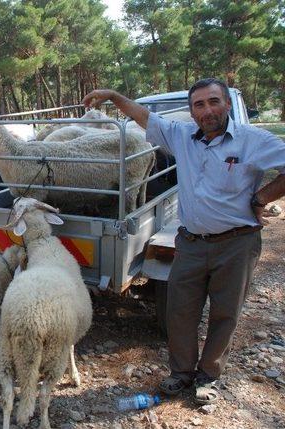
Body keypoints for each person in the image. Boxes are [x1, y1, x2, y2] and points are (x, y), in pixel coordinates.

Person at [83, 78, 285, 404]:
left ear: (227, 104)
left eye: (213, 101)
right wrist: (114, 96)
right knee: (180, 311)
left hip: (236, 244)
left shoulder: (252, 140)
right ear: (191, 111)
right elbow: (144, 116)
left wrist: (262, 197)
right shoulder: (182, 137)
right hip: (190, 243)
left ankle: (208, 378)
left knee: (225, 314)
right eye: (199, 104)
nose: (207, 110)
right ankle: (181, 374)